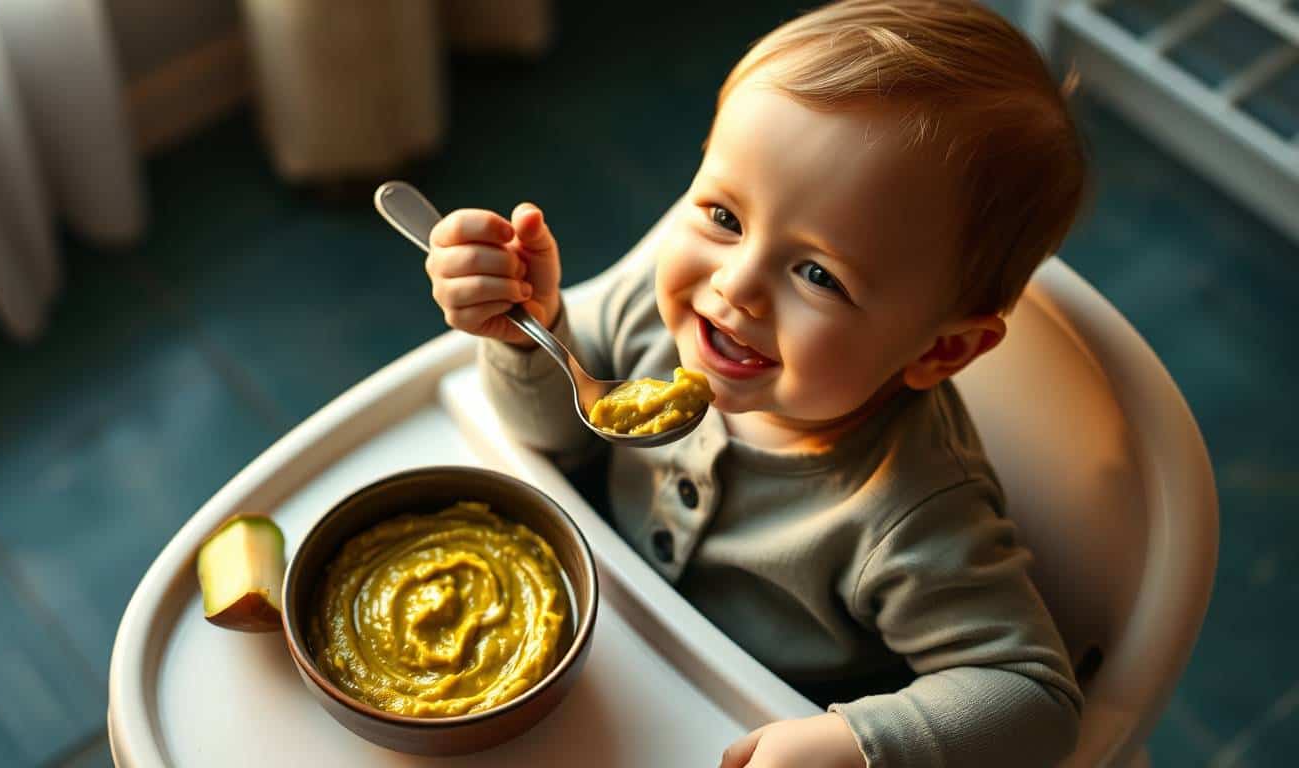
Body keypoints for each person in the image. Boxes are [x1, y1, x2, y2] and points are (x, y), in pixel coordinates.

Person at [422, 0, 1088, 764]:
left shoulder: (907, 512)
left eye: (817, 274)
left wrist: (853, 745)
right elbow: (548, 436)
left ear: (942, 352)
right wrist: (527, 336)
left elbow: (1036, 699)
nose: (735, 285)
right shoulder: (654, 305)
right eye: (723, 215)